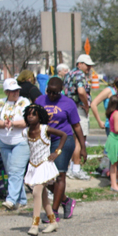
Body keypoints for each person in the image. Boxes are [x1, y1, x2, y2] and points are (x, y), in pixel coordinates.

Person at [35, 76, 85, 221]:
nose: (52, 95)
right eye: (49, 92)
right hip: (44, 141)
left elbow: (76, 126)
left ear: (61, 91)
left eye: (55, 93)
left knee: (59, 175)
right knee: (42, 178)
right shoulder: (39, 101)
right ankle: (66, 200)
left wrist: (82, 147)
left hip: (63, 140)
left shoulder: (68, 103)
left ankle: (54, 212)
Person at [22, 104, 67, 236]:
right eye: (28, 114)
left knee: (37, 191)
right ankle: (52, 221)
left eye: (34, 114)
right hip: (33, 165)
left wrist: (57, 152)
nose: (30, 116)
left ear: (40, 116)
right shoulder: (25, 132)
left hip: (44, 164)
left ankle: (35, 225)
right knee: (43, 195)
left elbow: (64, 135)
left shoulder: (44, 129)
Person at [0, 78, 31, 210]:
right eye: (12, 91)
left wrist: (12, 124)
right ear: (6, 92)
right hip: (5, 142)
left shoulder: (24, 102)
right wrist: (3, 124)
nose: (15, 93)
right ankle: (22, 200)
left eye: (17, 90)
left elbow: (26, 121)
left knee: (16, 171)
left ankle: (11, 200)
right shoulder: (0, 103)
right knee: (11, 172)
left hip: (21, 141)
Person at [63, 54, 94, 179]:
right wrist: (86, 104)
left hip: (68, 108)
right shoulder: (80, 74)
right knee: (79, 139)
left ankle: (69, 167)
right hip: (78, 108)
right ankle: (76, 168)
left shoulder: (68, 74)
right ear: (79, 64)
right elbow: (81, 91)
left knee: (71, 138)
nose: (89, 68)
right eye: (87, 65)